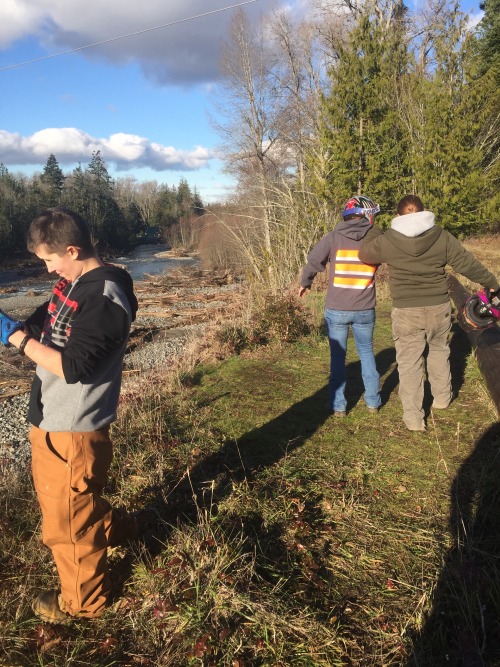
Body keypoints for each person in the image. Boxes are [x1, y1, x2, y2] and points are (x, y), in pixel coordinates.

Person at [0, 207, 139, 622]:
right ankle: (123, 530)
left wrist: (15, 337)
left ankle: (83, 603)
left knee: (67, 523)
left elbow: (74, 367)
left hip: (72, 428)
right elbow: (44, 321)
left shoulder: (103, 296)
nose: (47, 270)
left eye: (49, 259)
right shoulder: (74, 284)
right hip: (51, 417)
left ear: (73, 250)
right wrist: (20, 327)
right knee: (72, 499)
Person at [358, 194, 500, 431]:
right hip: (438, 307)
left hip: (405, 310)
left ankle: (414, 419)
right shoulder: (441, 236)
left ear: (398, 215)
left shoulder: (389, 239)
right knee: (439, 351)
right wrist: (492, 281)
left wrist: (374, 229)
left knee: (408, 362)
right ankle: (443, 399)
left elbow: (364, 254)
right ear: (424, 212)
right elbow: (466, 262)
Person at [299, 195, 382, 417]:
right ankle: (373, 402)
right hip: (365, 308)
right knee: (366, 352)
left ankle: (338, 406)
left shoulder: (333, 237)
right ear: (368, 215)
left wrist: (305, 283)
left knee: (338, 357)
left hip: (337, 308)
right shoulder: (376, 238)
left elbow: (314, 260)